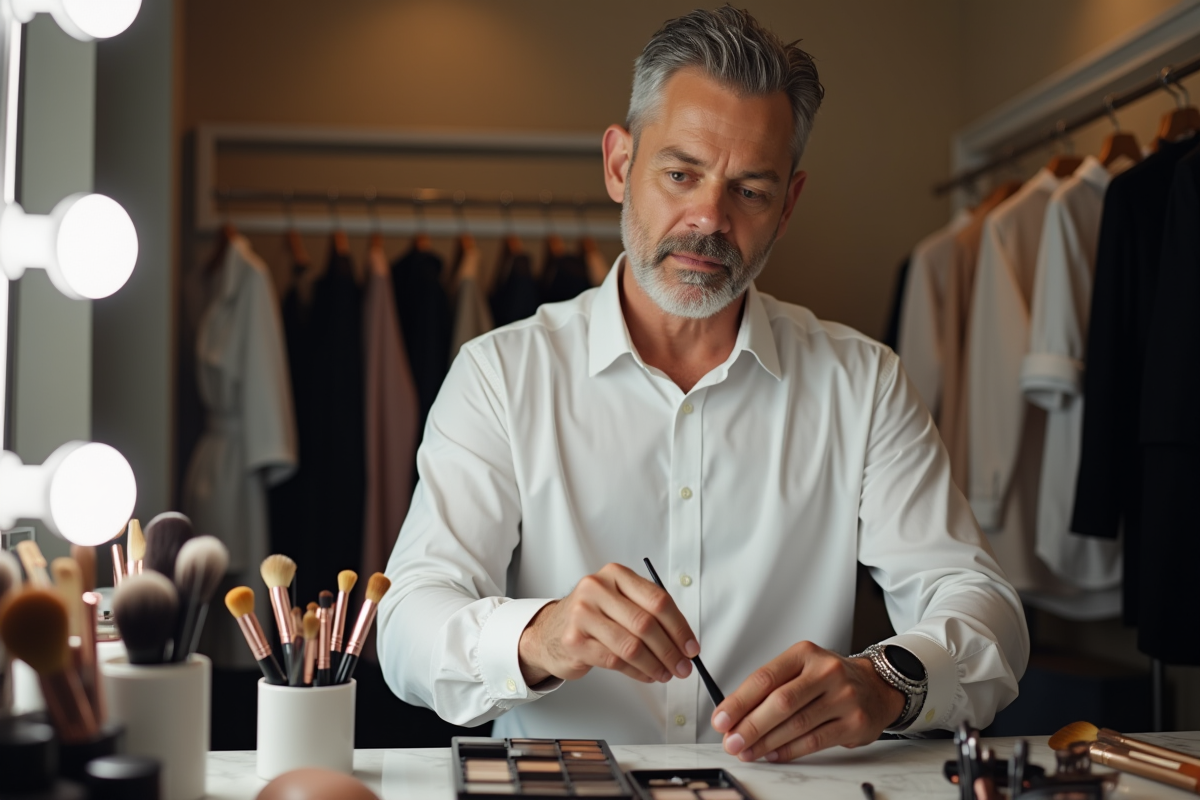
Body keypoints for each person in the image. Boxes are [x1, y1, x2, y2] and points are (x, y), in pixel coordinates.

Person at [377, 6, 1028, 762]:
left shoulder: (865, 383)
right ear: (620, 165)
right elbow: (406, 625)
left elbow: (988, 614)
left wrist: (886, 681)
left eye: (749, 190)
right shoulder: (499, 376)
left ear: (787, 204)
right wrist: (540, 634)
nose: (709, 219)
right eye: (681, 173)